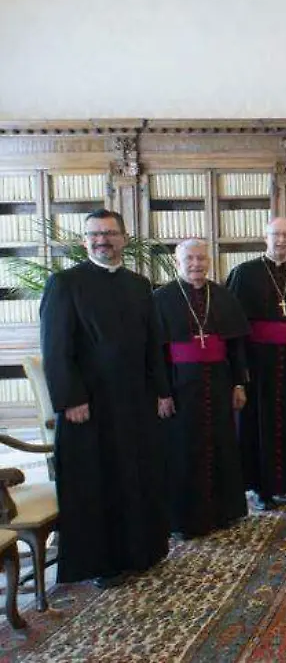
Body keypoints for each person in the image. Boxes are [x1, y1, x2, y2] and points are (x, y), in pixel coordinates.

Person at [40, 209, 171, 588]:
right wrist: (71, 399)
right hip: (90, 407)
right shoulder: (64, 284)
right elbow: (56, 348)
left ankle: (142, 551)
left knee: (137, 475)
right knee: (100, 482)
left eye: (110, 233)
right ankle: (104, 563)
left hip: (135, 402)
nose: (103, 240)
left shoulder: (139, 284)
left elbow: (153, 344)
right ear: (85, 241)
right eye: (95, 234)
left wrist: (162, 391)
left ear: (124, 239)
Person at [154, 239, 250, 539]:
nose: (196, 264)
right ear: (177, 262)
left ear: (209, 261)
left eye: (201, 258)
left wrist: (238, 383)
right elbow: (154, 352)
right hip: (180, 385)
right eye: (190, 259)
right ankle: (185, 520)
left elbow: (236, 346)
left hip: (220, 382)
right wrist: (162, 392)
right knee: (183, 449)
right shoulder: (160, 298)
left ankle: (225, 511)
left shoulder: (222, 295)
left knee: (222, 443)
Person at [226, 217, 286, 511]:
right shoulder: (244, 273)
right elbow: (234, 327)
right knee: (258, 422)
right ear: (265, 237)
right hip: (257, 361)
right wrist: (240, 369)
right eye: (276, 235)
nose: (281, 241)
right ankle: (260, 488)